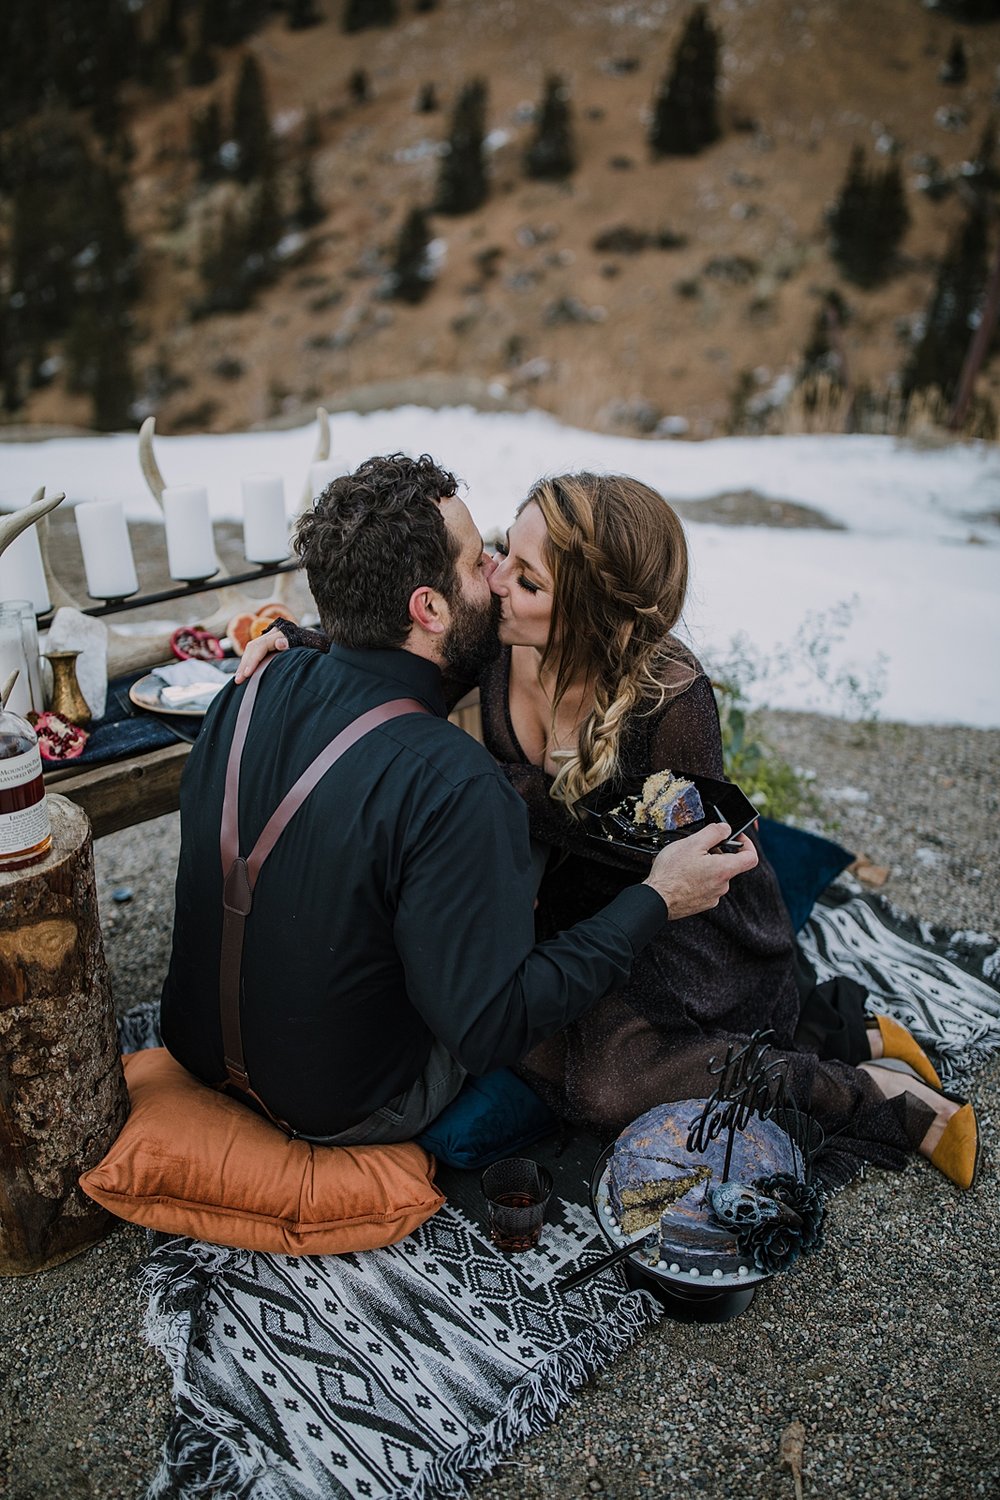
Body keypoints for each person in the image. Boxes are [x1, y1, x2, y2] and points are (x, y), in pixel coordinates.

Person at [243, 469, 980, 1189]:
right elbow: (396, 659)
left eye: (527, 580)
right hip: (564, 902)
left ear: (592, 618)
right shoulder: (495, 641)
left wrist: (517, 801)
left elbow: (692, 864)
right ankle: (838, 1028)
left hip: (682, 918)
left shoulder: (673, 701)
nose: (495, 580)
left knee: (601, 1088)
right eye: (503, 550)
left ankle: (872, 1092)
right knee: (482, 1025)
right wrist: (300, 645)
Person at [160, 454, 758, 1145]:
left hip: (196, 1046)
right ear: (430, 607)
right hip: (348, 1103)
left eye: (513, 567)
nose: (498, 576)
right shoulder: (460, 783)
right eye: (481, 563)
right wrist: (650, 901)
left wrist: (305, 641)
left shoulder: (251, 683)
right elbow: (489, 1031)